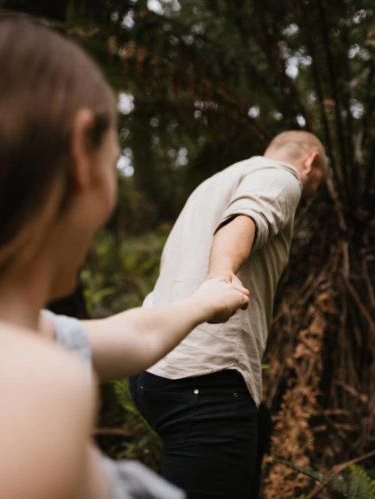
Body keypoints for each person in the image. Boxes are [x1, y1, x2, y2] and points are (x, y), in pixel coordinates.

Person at [0, 13, 250, 498]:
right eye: (112, 156)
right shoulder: (26, 390)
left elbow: (135, 334)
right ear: (79, 153)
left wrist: (207, 298)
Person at [130, 131, 327, 498]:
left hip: (156, 370)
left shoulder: (214, 183)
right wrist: (220, 278)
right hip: (207, 380)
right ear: (311, 162)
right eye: (318, 184)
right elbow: (243, 221)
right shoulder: (283, 176)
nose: (311, 195)